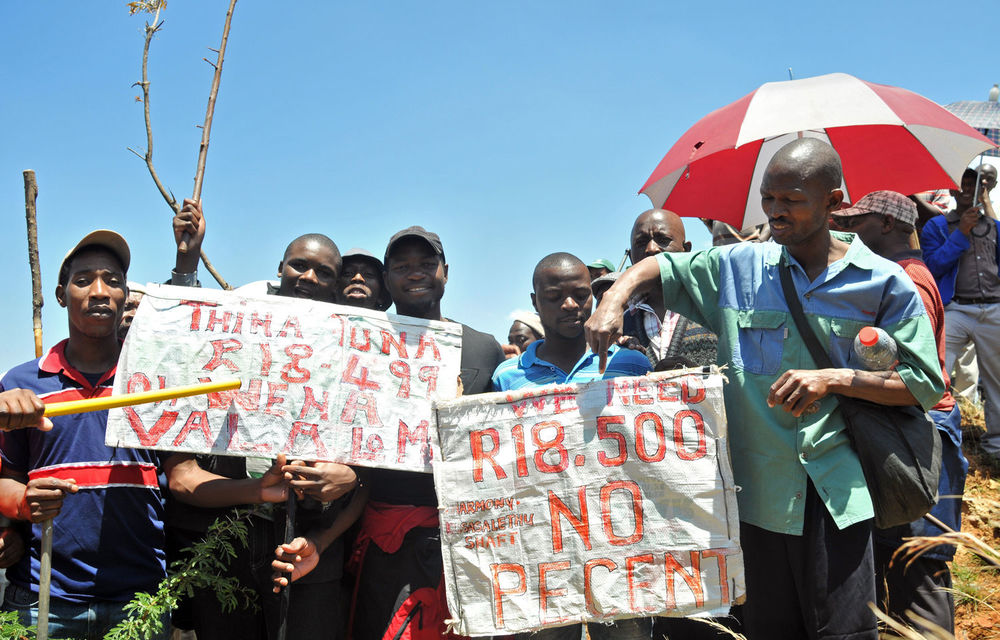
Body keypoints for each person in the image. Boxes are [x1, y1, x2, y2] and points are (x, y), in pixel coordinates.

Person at [587, 138, 945, 640]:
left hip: (838, 493)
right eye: (768, 199)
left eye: (792, 201)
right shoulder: (736, 267)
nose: (776, 213)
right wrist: (615, 298)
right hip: (754, 499)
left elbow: (923, 384)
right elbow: (658, 268)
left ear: (834, 201)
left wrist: (835, 378)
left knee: (846, 634)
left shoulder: (884, 283)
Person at [166, 199, 362, 640]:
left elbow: (371, 468)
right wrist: (186, 262)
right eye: (298, 265)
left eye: (323, 272)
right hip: (227, 535)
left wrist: (349, 477)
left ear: (334, 285)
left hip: (308, 539)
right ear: (281, 267)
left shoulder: (353, 350)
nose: (308, 277)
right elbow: (181, 330)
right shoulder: (237, 324)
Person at [0, 230, 171, 639]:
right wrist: (25, 503)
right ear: (61, 296)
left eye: (112, 280)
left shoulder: (157, 382)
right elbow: (7, 477)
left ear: (125, 295)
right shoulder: (22, 385)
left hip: (142, 603)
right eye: (83, 280)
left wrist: (262, 490)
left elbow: (183, 477)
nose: (99, 291)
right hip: (43, 598)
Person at [350, 225, 505, 640]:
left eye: (425, 263)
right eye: (401, 266)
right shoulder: (361, 342)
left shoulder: (482, 347)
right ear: (386, 279)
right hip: (386, 537)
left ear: (446, 271)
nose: (414, 272)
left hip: (462, 539)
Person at [491, 252, 651, 640]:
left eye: (580, 295)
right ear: (535, 303)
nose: (570, 305)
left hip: (622, 548)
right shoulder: (507, 377)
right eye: (554, 296)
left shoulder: (632, 364)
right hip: (541, 552)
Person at [831, 190, 967, 634]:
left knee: (920, 560)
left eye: (858, 222)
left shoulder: (907, 278)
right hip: (911, 426)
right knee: (901, 555)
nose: (847, 231)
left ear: (887, 225)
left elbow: (918, 378)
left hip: (922, 429)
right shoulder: (907, 274)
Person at [922, 167, 1000, 466]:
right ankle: (932, 436)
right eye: (962, 184)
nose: (968, 189)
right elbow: (934, 266)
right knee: (934, 369)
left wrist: (986, 208)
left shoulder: (993, 225)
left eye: (975, 184)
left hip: (993, 307)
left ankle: (995, 448)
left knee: (996, 381)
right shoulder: (937, 226)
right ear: (952, 189)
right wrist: (961, 233)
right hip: (954, 308)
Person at [623, 209, 718, 369]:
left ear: (686, 250)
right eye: (641, 242)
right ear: (631, 256)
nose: (651, 248)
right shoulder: (623, 323)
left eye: (663, 240)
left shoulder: (713, 306)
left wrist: (697, 376)